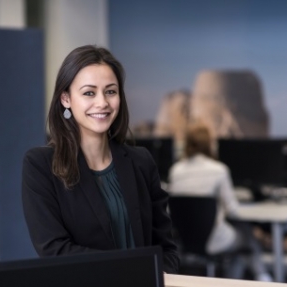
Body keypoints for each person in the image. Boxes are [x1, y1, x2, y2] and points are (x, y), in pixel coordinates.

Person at [21, 45, 179, 273]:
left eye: (110, 91)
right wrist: (134, 272)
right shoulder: (41, 165)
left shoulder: (141, 161)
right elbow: (54, 250)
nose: (102, 103)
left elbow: (166, 248)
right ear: (66, 99)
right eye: (89, 93)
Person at [168, 123, 272, 281]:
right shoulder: (219, 170)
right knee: (247, 237)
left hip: (184, 240)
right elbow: (233, 211)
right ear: (210, 144)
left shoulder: (175, 170)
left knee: (240, 248)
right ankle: (264, 278)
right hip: (213, 240)